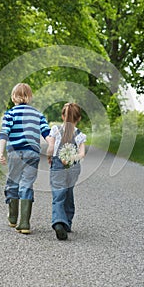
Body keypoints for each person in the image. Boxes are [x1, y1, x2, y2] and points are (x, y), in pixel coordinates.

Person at [0, 83, 51, 234]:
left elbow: (4, 134)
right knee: (27, 184)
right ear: (30, 97)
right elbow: (47, 133)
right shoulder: (38, 114)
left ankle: (13, 218)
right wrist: (51, 148)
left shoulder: (10, 114)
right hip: (32, 154)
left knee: (13, 183)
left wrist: (1, 152)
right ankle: (24, 223)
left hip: (15, 154)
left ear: (13, 97)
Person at [47, 103, 86, 240]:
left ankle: (59, 222)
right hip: (73, 167)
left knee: (58, 195)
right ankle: (67, 223)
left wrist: (50, 155)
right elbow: (82, 154)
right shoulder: (80, 135)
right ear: (79, 118)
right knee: (68, 193)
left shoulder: (55, 129)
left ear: (62, 116)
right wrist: (71, 158)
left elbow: (51, 147)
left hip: (57, 165)